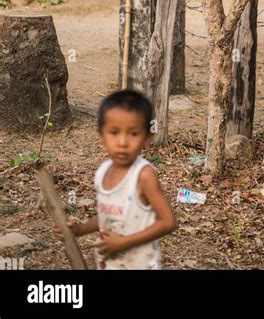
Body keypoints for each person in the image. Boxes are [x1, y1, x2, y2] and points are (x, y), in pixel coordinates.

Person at [55, 89, 176, 269]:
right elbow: (108, 216)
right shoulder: (103, 172)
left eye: (133, 134)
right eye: (114, 132)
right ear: (101, 135)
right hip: (110, 262)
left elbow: (168, 222)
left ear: (147, 138)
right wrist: (78, 230)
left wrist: (124, 242)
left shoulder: (143, 175)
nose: (122, 142)